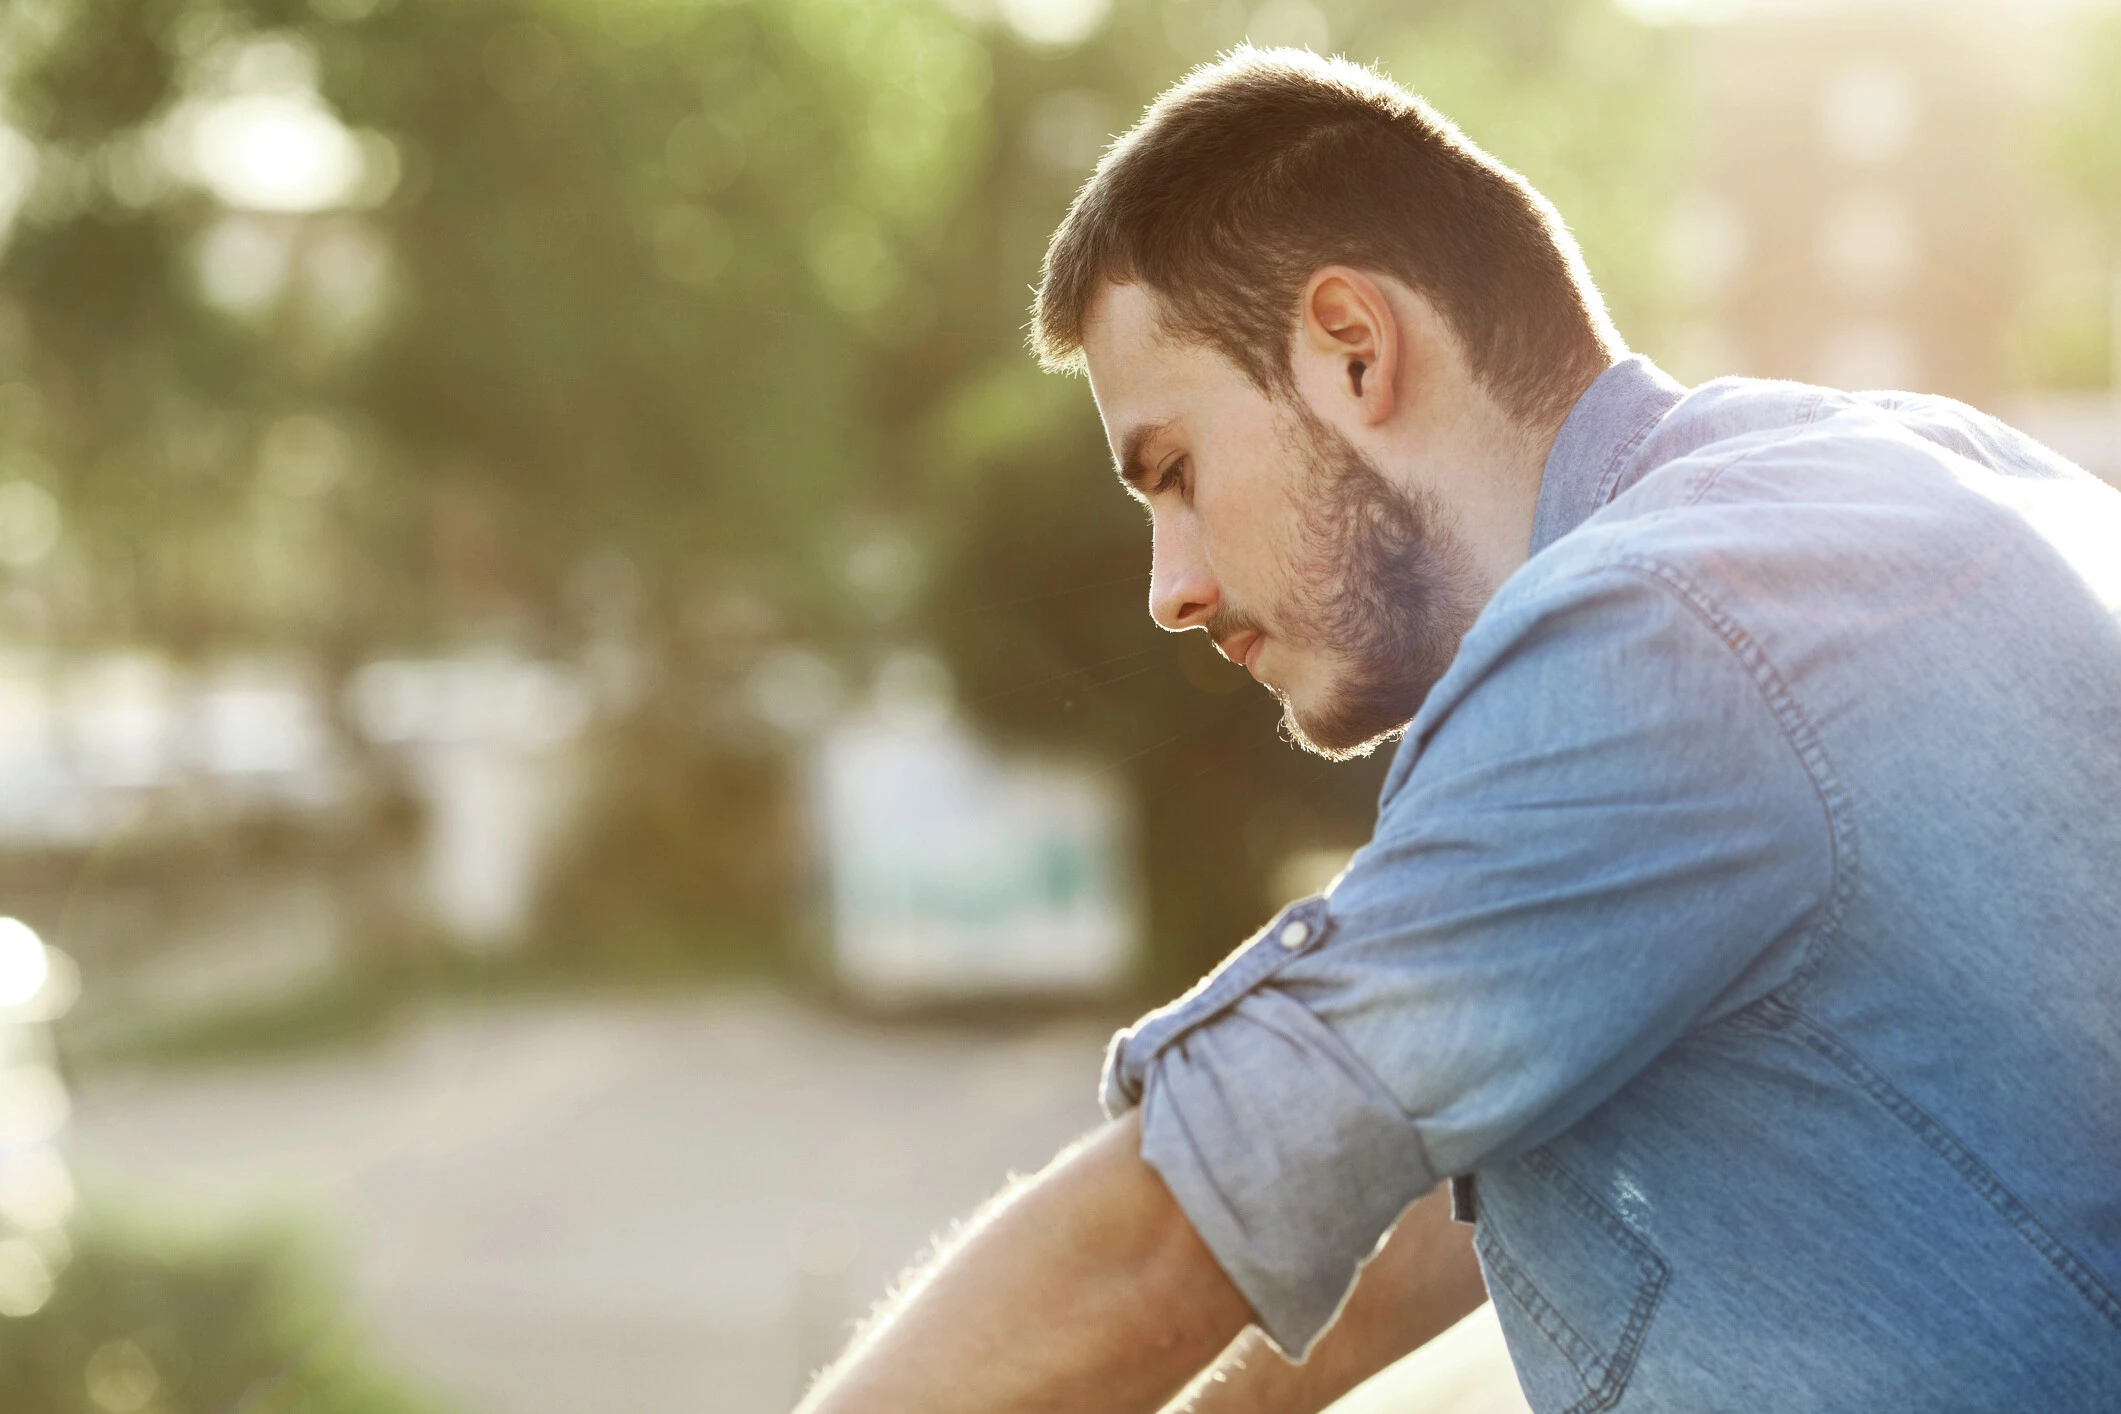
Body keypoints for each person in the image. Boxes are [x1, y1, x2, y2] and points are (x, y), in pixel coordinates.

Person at [796, 46, 2121, 1414]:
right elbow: (1424, 1155)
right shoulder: (1912, 474)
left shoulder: (1660, 637)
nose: (1170, 586)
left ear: (1353, 350)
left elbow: (1161, 1236)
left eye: (1176, 473)